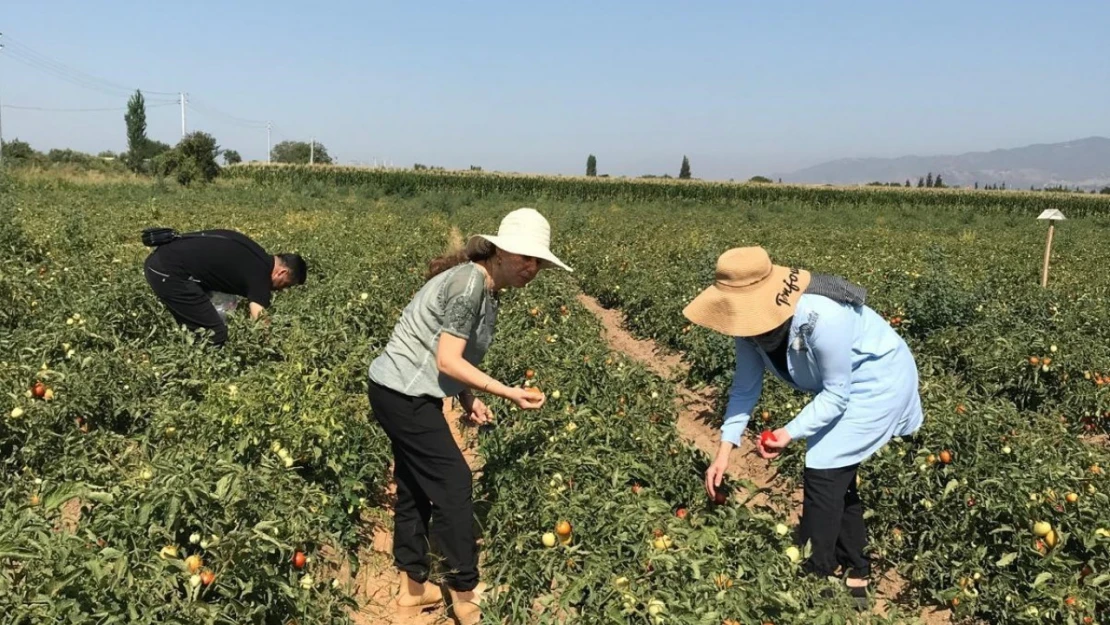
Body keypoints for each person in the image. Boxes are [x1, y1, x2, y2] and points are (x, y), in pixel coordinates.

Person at [684, 246, 923, 608]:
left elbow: (837, 394)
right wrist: (723, 454)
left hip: (877, 381)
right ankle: (856, 568)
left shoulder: (822, 316)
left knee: (824, 469)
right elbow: (745, 388)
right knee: (836, 474)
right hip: (843, 388)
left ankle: (818, 577)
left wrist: (787, 432)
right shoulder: (746, 328)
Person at [366, 208, 571, 624]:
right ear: (498, 251)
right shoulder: (469, 285)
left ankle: (414, 591)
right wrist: (506, 391)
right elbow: (447, 359)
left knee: (412, 484)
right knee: (455, 482)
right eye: (524, 258)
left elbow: (442, 353)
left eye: (538, 262)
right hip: (403, 394)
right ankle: (466, 592)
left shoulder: (483, 284)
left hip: (397, 390)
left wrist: (465, 400)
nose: (531, 268)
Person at [143, 229, 307, 345]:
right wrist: (275, 350)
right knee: (215, 334)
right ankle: (199, 373)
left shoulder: (257, 254)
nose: (283, 290)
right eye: (287, 285)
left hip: (164, 260)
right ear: (282, 272)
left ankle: (186, 343)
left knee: (201, 320)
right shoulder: (260, 276)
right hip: (167, 271)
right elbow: (260, 321)